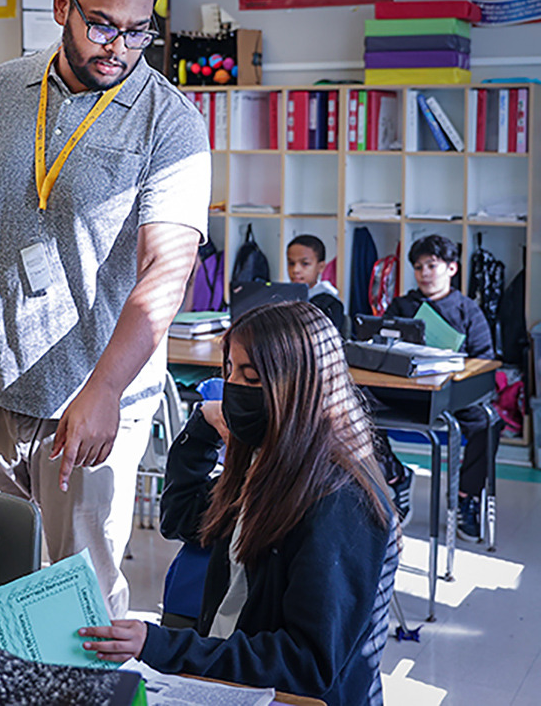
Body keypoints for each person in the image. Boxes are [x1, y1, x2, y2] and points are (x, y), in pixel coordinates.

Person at [0, 0, 209, 617]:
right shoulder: (2, 89)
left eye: (139, 32)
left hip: (93, 402)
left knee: (80, 605)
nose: (120, 48)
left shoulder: (171, 122)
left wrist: (104, 389)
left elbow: (165, 272)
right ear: (61, 5)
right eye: (103, 24)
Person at [80, 301, 398, 706]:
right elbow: (180, 518)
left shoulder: (339, 499)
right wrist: (200, 429)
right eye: (228, 371)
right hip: (227, 681)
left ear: (296, 387)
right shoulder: (268, 462)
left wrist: (161, 645)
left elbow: (307, 665)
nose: (233, 387)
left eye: (250, 377)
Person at [384, 234, 493, 541]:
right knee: (358, 409)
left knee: (487, 423)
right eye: (418, 267)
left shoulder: (468, 310)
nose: (425, 274)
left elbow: (484, 359)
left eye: (432, 265)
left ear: (452, 269)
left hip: (452, 397)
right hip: (407, 395)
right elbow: (381, 348)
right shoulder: (402, 306)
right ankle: (396, 476)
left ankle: (466, 497)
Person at [286, 234, 345, 335]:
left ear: (321, 267)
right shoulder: (283, 296)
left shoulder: (329, 303)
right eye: (291, 263)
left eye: (305, 264)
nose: (295, 270)